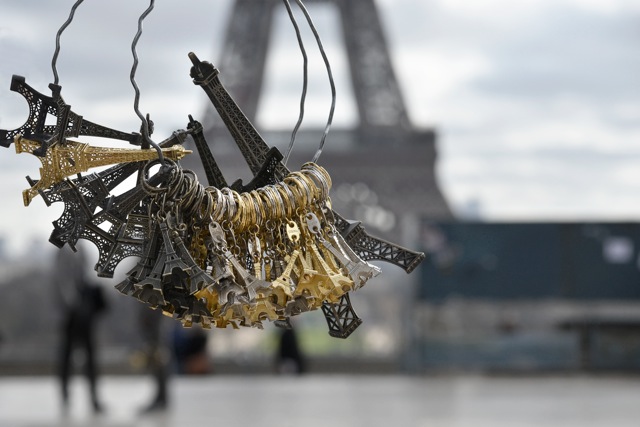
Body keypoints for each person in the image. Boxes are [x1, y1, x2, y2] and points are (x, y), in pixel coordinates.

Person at [53, 244, 107, 414]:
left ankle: (93, 397)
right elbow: (62, 280)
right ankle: (67, 396)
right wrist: (74, 306)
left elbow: (86, 276)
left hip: (83, 311)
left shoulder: (81, 248)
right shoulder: (64, 249)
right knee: (68, 356)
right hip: (72, 314)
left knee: (89, 356)